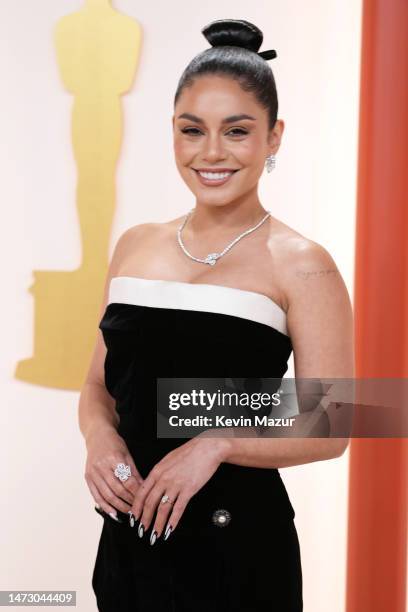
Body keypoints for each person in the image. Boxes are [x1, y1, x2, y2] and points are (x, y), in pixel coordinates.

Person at [78, 18, 354, 612]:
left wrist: (217, 442)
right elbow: (100, 385)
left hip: (237, 553)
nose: (211, 153)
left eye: (236, 131)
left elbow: (333, 422)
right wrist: (99, 438)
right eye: (191, 130)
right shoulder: (134, 245)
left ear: (273, 137)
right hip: (130, 541)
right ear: (172, 133)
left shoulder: (303, 263)